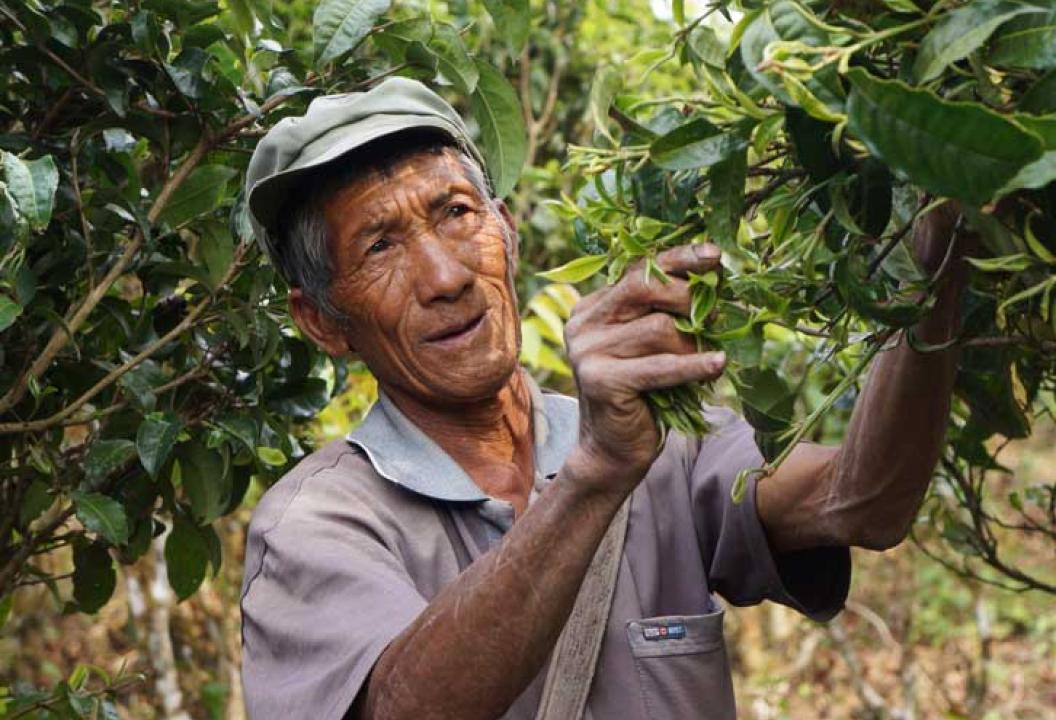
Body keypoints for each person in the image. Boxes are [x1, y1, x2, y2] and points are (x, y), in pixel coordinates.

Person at [239, 76, 967, 720]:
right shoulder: (316, 526)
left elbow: (864, 501)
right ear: (322, 322)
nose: (444, 277)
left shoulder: (666, 446)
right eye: (379, 247)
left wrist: (940, 247)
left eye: (456, 213)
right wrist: (596, 473)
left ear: (507, 232)